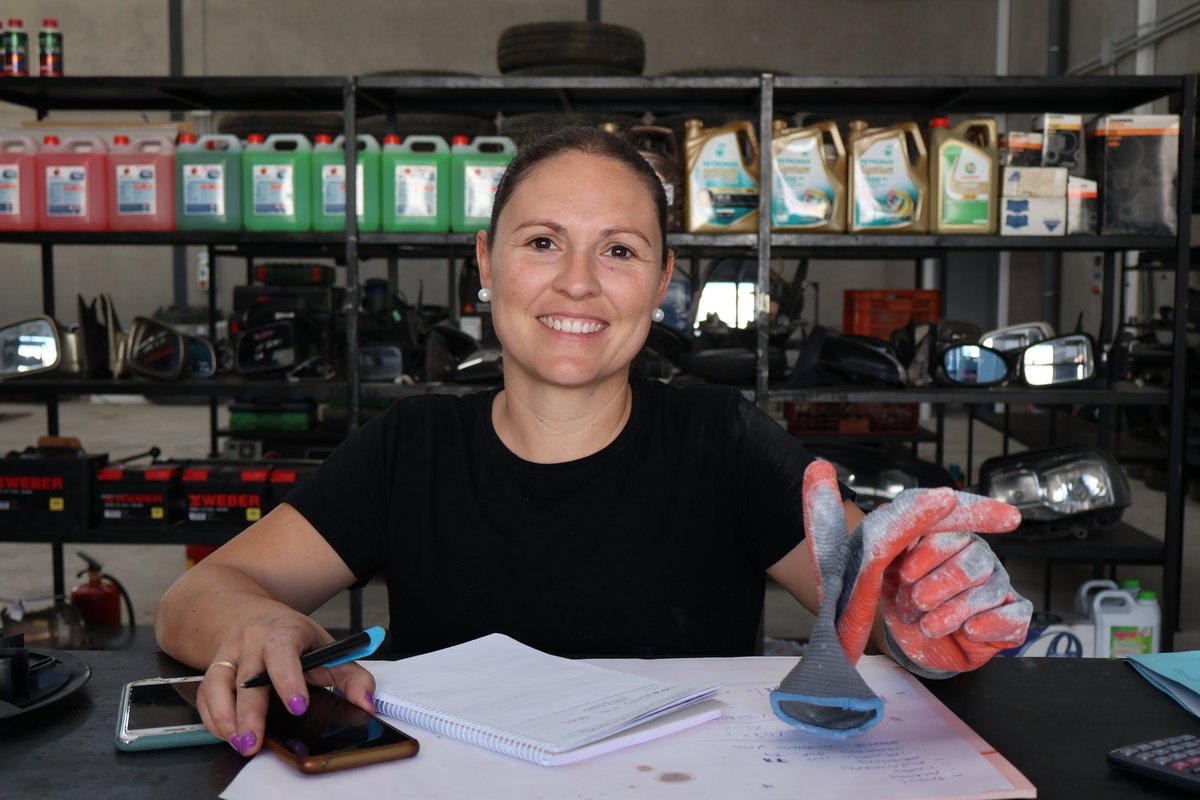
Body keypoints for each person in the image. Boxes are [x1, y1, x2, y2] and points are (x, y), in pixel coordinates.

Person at [155, 125, 1031, 758]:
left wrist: (923, 621)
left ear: (660, 282)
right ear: (487, 264)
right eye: (542, 242)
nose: (578, 281)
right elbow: (197, 597)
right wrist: (260, 620)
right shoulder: (410, 445)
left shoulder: (725, 442)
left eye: (618, 250)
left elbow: (870, 614)